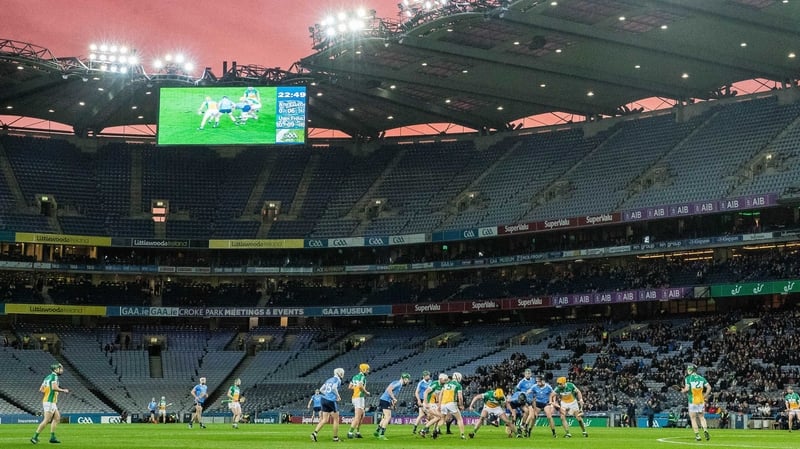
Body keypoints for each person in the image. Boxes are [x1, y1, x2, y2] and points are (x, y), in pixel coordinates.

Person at [31, 363, 69, 444]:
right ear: (55, 370)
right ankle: (35, 437)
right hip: (50, 401)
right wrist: (63, 390)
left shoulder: (47, 377)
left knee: (57, 418)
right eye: (60, 369)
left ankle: (52, 437)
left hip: (50, 401)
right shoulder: (54, 377)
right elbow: (54, 388)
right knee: (46, 420)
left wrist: (48, 391)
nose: (62, 370)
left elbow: (41, 389)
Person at [311, 367, 345, 443]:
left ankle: (314, 433)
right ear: (339, 373)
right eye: (342, 373)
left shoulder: (329, 380)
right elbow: (333, 388)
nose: (343, 374)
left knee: (325, 419)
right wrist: (338, 396)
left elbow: (321, 389)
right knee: (336, 419)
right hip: (330, 401)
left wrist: (327, 394)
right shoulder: (337, 380)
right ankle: (335, 438)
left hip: (323, 399)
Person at [374, 372, 411, 439]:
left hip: (384, 399)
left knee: (385, 417)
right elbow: (388, 390)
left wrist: (392, 402)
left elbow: (389, 391)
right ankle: (381, 434)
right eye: (408, 379)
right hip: (385, 400)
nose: (408, 381)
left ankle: (377, 431)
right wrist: (393, 398)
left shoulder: (396, 382)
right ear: (405, 379)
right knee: (388, 417)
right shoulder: (398, 384)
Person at [680, 364, 710, 441]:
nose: (687, 371)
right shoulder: (701, 378)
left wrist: (682, 390)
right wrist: (705, 396)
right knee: (702, 417)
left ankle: (697, 436)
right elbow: (709, 388)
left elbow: (686, 389)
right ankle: (705, 430)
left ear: (690, 370)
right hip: (700, 400)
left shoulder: (688, 378)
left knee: (693, 418)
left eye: (688, 369)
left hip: (692, 401)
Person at [439, 372, 467, 439]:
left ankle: (436, 430)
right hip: (451, 403)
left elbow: (440, 394)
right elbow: (460, 397)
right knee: (459, 419)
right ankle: (462, 435)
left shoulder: (446, 384)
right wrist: (461, 405)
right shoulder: (458, 385)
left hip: (443, 403)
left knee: (442, 419)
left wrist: (439, 404)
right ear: (458, 378)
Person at [418, 373, 447, 439]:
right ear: (440, 379)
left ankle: (432, 432)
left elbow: (437, 394)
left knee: (438, 417)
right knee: (438, 416)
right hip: (428, 404)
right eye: (444, 380)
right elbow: (425, 392)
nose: (445, 381)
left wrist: (438, 404)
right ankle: (426, 430)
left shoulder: (442, 385)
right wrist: (426, 403)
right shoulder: (435, 384)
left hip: (433, 404)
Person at [348, 363, 371, 439]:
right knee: (358, 416)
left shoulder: (355, 377)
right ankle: (350, 432)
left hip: (355, 397)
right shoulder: (362, 377)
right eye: (367, 369)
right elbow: (361, 386)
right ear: (363, 369)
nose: (368, 371)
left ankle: (357, 432)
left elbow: (350, 387)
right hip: (359, 398)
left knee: (362, 415)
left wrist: (356, 388)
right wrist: (366, 392)